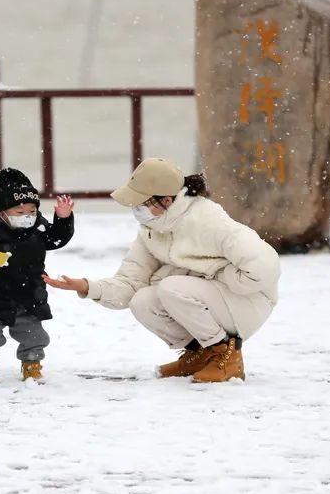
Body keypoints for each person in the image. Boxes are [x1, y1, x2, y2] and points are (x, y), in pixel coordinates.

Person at [43, 158, 280, 383]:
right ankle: (201, 355)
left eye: (141, 203)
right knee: (142, 301)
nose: (136, 210)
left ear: (166, 200)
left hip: (249, 300)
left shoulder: (208, 220)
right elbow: (131, 282)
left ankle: (227, 357)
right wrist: (88, 287)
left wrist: (212, 273)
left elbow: (265, 268)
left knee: (171, 287)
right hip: (209, 300)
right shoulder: (151, 229)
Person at [0, 168, 75, 383]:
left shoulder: (38, 227)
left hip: (29, 292)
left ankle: (32, 365)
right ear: (2, 212)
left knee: (34, 335)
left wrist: (63, 219)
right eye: (20, 212)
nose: (27, 217)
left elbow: (56, 239)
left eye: (32, 211)